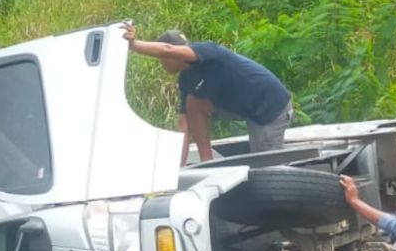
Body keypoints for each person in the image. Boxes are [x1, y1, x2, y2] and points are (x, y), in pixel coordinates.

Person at [123, 23, 293, 164]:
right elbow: (184, 127)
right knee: (193, 103)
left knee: (264, 167)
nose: (162, 63)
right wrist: (177, 171)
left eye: (161, 59)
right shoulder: (186, 79)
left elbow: (167, 50)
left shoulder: (208, 51)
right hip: (245, 106)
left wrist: (134, 45)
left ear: (173, 55)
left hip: (269, 108)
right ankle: (207, 161)